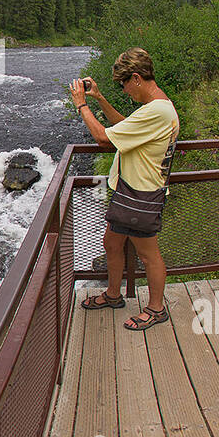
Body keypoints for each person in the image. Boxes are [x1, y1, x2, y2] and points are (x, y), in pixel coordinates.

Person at [69, 47, 179, 331]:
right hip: (129, 191)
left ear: (136, 78)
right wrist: (99, 98)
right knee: (112, 243)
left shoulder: (157, 111)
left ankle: (156, 309)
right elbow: (123, 126)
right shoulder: (154, 107)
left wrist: (81, 104)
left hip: (142, 193)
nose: (125, 90)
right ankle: (114, 295)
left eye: (124, 84)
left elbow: (103, 138)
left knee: (148, 255)